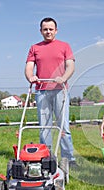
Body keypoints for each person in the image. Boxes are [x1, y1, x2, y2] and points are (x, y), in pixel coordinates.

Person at [24, 17, 78, 167]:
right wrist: (31, 77)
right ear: (41, 31)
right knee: (45, 127)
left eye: (51, 29)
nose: (48, 32)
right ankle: (46, 158)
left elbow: (70, 66)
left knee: (63, 126)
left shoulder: (64, 46)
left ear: (56, 30)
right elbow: (29, 67)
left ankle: (69, 159)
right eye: (45, 29)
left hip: (60, 90)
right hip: (42, 91)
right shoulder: (34, 47)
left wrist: (63, 78)